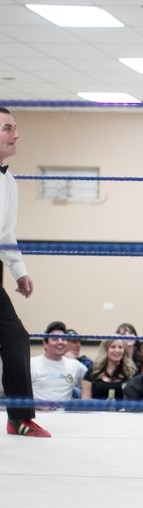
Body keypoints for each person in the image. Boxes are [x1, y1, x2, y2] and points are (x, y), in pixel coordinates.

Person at [0, 106, 50, 437]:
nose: (16, 134)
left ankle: (19, 417)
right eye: (7, 128)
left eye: (15, 127)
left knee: (16, 337)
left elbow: (5, 232)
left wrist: (20, 271)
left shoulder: (10, 182)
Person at [30, 321, 88, 405]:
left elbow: (93, 382)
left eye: (63, 339)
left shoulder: (75, 365)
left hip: (65, 415)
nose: (60, 342)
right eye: (55, 339)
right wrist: (38, 405)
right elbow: (18, 393)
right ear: (45, 344)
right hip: (37, 414)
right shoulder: (32, 364)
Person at [63, 328, 92, 399]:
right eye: (74, 341)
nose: (78, 345)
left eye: (79, 342)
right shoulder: (56, 362)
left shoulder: (86, 362)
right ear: (63, 343)